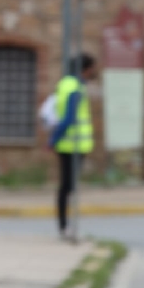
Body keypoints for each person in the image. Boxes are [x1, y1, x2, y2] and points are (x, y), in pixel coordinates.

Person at [48, 53, 97, 241]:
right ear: (84, 69)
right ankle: (65, 227)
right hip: (73, 145)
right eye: (91, 69)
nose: (92, 72)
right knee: (67, 187)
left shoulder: (64, 84)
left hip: (68, 144)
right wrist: (53, 140)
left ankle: (65, 226)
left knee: (67, 187)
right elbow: (69, 118)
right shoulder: (76, 88)